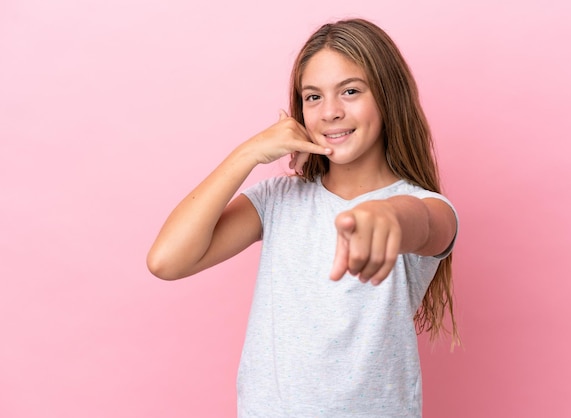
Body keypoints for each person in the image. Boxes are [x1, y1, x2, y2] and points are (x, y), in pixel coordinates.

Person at [147, 18, 458, 418]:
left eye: (350, 91)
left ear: (387, 97)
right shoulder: (278, 201)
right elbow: (166, 260)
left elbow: (426, 223)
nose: (330, 111)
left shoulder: (427, 206)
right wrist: (249, 153)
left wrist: (388, 217)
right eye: (313, 97)